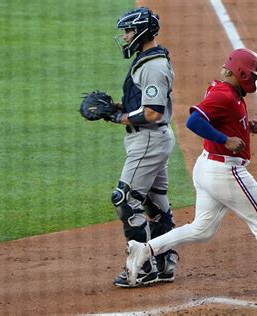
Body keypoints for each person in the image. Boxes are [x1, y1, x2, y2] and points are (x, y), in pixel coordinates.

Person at [124, 48, 257, 300]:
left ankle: (144, 250)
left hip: (208, 168)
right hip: (225, 170)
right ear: (240, 72)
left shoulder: (230, 92)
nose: (254, 82)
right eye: (251, 76)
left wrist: (243, 127)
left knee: (202, 229)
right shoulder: (225, 95)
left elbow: (220, 118)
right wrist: (225, 139)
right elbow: (194, 121)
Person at [106, 7, 178, 288]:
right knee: (154, 202)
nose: (125, 37)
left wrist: (116, 117)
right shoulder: (147, 60)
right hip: (153, 138)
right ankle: (164, 264)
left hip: (148, 139)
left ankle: (143, 266)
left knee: (125, 199)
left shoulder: (154, 66)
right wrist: (116, 108)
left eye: (129, 31)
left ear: (142, 32)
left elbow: (152, 113)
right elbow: (143, 106)